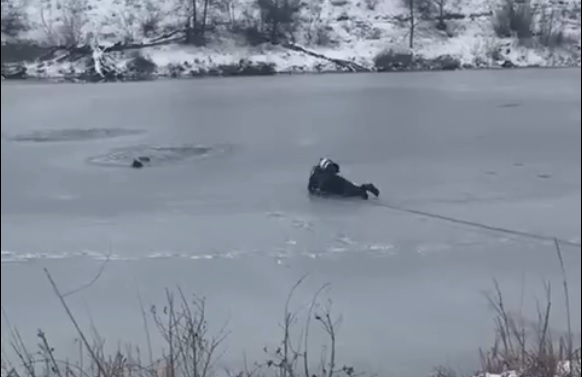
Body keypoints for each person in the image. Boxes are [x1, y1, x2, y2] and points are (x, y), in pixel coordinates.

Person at [308, 157, 379, 199]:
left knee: (354, 191)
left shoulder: (318, 175)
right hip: (338, 183)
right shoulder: (319, 173)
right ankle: (363, 190)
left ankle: (365, 189)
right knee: (353, 189)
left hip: (339, 185)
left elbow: (313, 186)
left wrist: (318, 191)